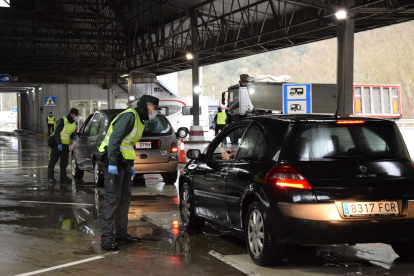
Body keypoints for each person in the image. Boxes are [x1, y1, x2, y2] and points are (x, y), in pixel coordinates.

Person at [98, 95, 161, 251]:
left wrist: (131, 165)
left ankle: (120, 234)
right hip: (113, 161)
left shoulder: (140, 120)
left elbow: (129, 144)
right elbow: (114, 140)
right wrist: (112, 163)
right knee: (112, 199)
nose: (155, 112)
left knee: (124, 198)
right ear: (146, 106)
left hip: (124, 163)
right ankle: (106, 238)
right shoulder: (129, 116)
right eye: (154, 108)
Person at [47, 108, 79, 184]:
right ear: (71, 114)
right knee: (53, 161)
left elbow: (68, 133)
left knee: (64, 162)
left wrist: (73, 136)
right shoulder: (63, 120)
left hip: (65, 145)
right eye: (76, 115)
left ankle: (63, 177)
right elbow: (57, 132)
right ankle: (50, 177)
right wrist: (59, 143)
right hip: (57, 144)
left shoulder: (74, 123)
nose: (76, 116)